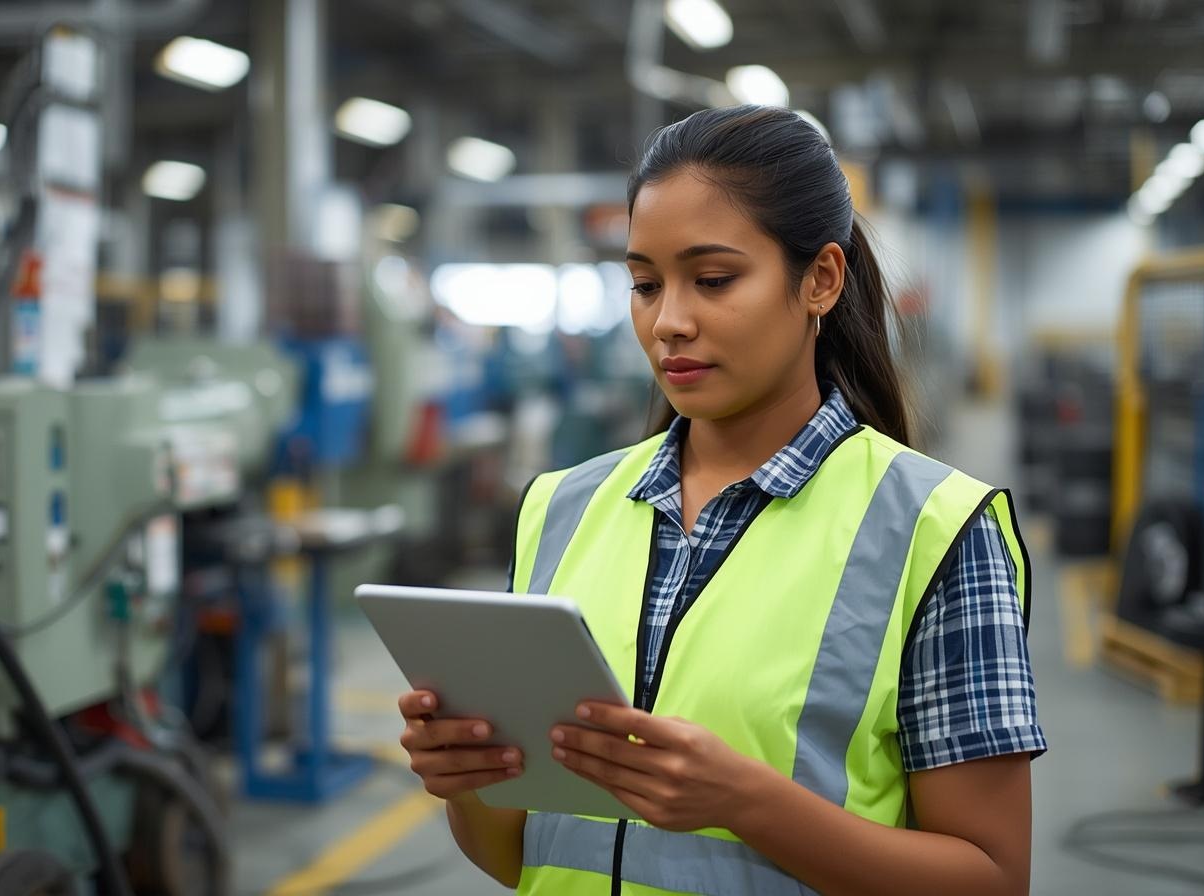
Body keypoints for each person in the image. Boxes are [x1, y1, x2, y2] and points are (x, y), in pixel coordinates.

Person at [396, 105, 1045, 895]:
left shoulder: (934, 530)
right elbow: (521, 859)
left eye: (712, 280)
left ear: (820, 280)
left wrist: (745, 801)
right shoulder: (560, 507)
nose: (668, 322)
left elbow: (992, 879)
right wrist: (468, 781)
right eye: (643, 284)